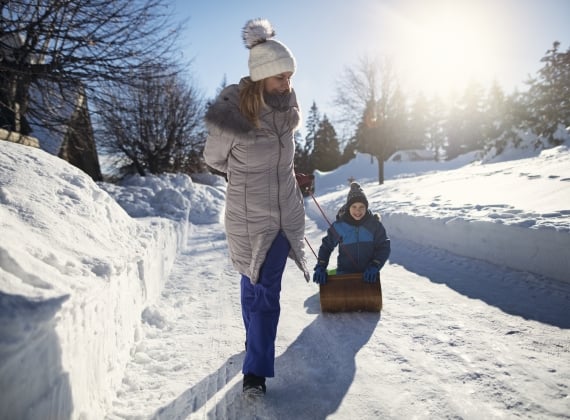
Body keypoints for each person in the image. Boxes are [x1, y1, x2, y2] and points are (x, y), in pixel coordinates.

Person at [203, 18, 310, 397]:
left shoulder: (287, 111)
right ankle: (256, 355)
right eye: (280, 76)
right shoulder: (236, 113)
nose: (287, 83)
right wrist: (247, 177)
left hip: (284, 216)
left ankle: (256, 371)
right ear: (262, 75)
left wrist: (293, 180)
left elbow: (285, 162)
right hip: (248, 217)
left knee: (266, 291)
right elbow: (214, 158)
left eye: (290, 76)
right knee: (253, 284)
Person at [313, 182, 391, 284]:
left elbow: (383, 246)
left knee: (367, 300)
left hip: (368, 274)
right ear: (348, 207)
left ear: (366, 207)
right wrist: (321, 265)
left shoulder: (374, 225)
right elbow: (326, 247)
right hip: (345, 274)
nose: (358, 211)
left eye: (361, 207)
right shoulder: (339, 226)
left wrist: (375, 265)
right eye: (354, 206)